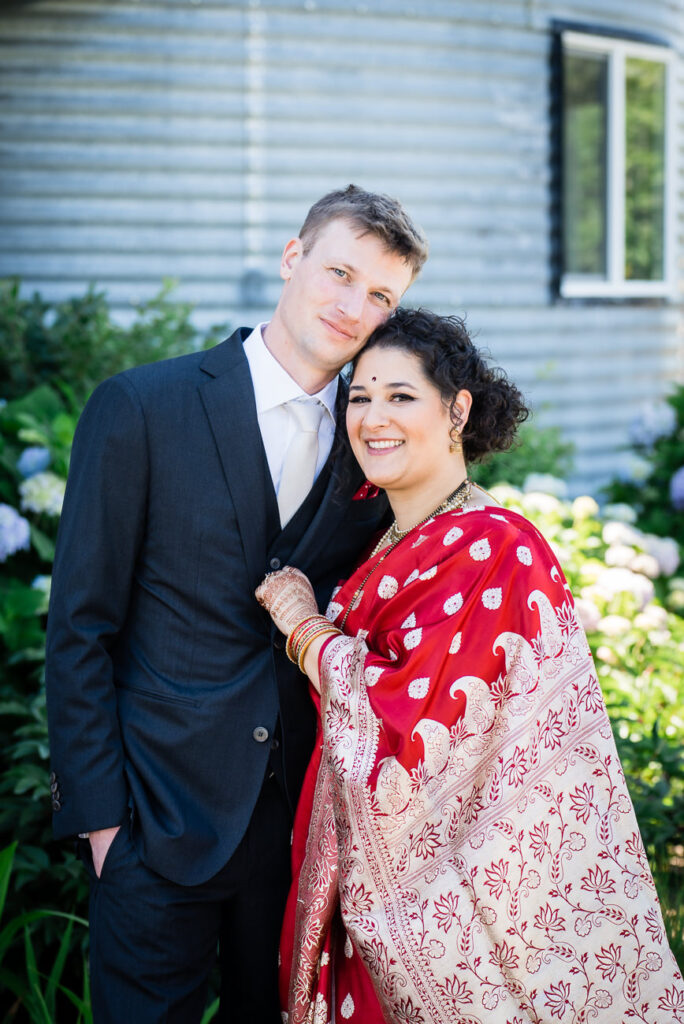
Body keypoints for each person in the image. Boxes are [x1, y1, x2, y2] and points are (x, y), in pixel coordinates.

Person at [45, 185, 428, 1023]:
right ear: (293, 259)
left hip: (298, 843)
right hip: (153, 827)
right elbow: (79, 628)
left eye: (380, 295)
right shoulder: (143, 407)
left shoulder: (375, 441)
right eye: (340, 273)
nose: (353, 306)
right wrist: (104, 827)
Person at [256, 307, 683, 1024]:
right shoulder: (390, 543)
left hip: (478, 915)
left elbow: (408, 722)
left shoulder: (496, 547)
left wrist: (305, 629)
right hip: (370, 891)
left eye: (400, 396)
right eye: (359, 397)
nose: (372, 419)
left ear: (457, 410)